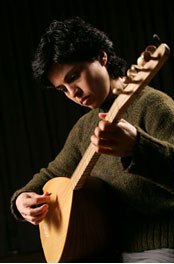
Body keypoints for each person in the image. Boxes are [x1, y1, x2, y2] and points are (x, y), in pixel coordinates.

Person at [10, 16, 174, 263]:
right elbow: (52, 173)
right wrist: (22, 200)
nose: (73, 93)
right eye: (63, 89)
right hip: (105, 249)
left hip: (159, 247)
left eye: (74, 76)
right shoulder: (84, 127)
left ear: (102, 57)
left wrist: (138, 147)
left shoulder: (154, 106)